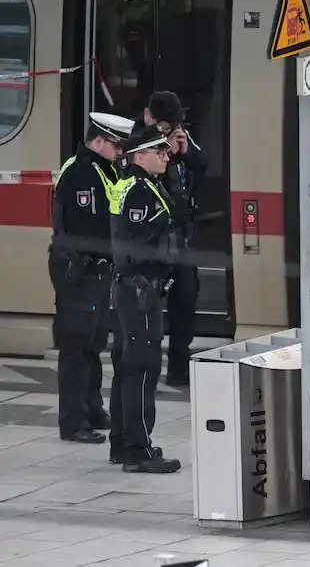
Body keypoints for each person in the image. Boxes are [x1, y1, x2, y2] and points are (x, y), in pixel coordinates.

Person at [50, 113, 134, 444]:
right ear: (98, 141)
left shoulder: (104, 169)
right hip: (78, 270)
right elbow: (92, 226)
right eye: (116, 145)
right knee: (76, 347)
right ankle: (72, 421)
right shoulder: (82, 173)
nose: (119, 152)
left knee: (94, 342)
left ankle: (92, 407)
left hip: (97, 271)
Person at [108, 128, 182, 473]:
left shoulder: (137, 185)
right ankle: (138, 449)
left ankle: (123, 443)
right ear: (140, 155)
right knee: (142, 368)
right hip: (140, 289)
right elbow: (135, 243)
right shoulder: (138, 191)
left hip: (132, 288)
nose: (166, 156)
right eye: (160, 151)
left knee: (128, 366)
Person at [139, 90, 207, 387]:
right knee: (146, 308)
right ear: (148, 117)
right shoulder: (137, 141)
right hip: (152, 239)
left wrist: (184, 151)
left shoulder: (182, 137)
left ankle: (178, 367)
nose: (167, 133)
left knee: (185, 301)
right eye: (163, 127)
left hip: (181, 237)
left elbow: (202, 164)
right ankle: (144, 370)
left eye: (172, 127)